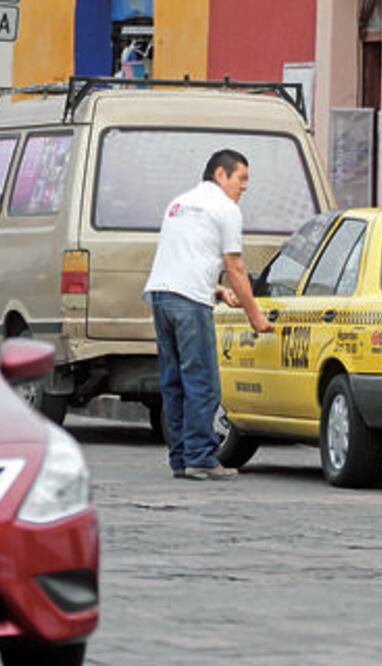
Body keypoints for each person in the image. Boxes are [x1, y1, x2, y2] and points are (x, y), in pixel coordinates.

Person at [143, 149, 273, 481]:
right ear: (220, 174)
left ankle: (180, 458)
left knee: (174, 383)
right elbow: (236, 267)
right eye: (241, 178)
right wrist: (255, 315)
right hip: (189, 302)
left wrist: (218, 292)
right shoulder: (225, 209)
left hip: (162, 296)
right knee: (203, 383)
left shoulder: (179, 204)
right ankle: (201, 457)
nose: (244, 187)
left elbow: (183, 257)